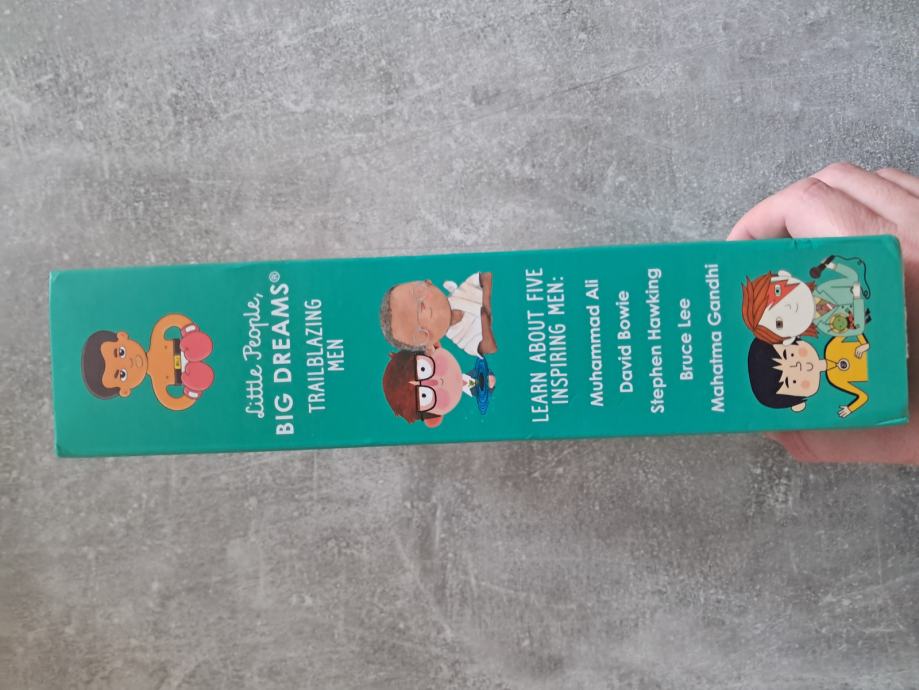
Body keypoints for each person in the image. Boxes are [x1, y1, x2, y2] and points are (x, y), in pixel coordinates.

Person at [730, 162, 918, 464]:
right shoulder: (837, 370)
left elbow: (859, 334)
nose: (799, 366)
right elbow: (862, 392)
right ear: (799, 403)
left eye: (789, 356)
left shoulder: (833, 340)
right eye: (793, 382)